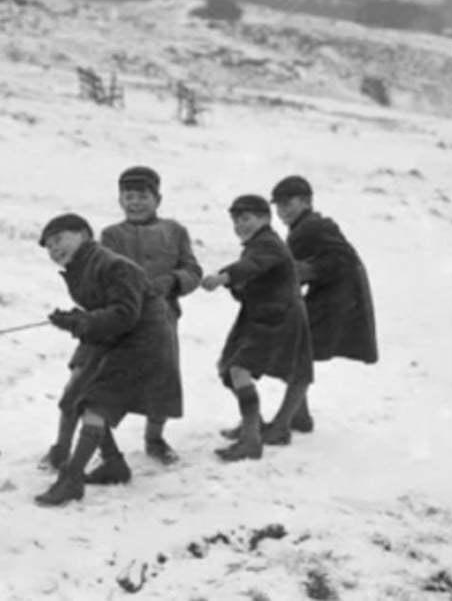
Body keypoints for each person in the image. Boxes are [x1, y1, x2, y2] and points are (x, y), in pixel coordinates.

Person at [35, 213, 173, 505]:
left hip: (142, 341)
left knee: (96, 402)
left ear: (84, 234)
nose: (54, 249)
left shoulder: (112, 265)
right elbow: (105, 313)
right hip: (115, 338)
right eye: (48, 247)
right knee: (77, 395)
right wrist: (75, 320)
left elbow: (125, 314)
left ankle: (72, 479)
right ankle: (113, 464)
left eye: (59, 239)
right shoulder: (79, 269)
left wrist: (81, 322)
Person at [99, 166, 202, 466]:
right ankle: (104, 444)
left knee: (163, 380)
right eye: (128, 197)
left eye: (142, 196)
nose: (135, 203)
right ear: (120, 201)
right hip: (123, 320)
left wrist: (173, 281)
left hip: (163, 318)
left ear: (158, 199)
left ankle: (154, 438)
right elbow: (103, 274)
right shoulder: (111, 235)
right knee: (108, 379)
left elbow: (193, 271)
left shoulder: (176, 231)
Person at [200, 195, 313, 461]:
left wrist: (223, 277)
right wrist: (236, 286)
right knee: (229, 368)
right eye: (236, 220)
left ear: (264, 218)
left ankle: (251, 440)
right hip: (260, 316)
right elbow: (252, 280)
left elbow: (253, 266)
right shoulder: (256, 244)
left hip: (279, 317)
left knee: (239, 369)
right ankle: (254, 424)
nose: (240, 225)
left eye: (246, 219)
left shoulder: (269, 244)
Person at [269, 175, 378, 433]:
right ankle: (298, 417)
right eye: (278, 205)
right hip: (340, 293)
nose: (282, 210)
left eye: (288, 203)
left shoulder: (308, 229)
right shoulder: (311, 226)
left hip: (337, 297)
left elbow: (298, 269)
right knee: (295, 348)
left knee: (296, 349)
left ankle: (283, 424)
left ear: (306, 202)